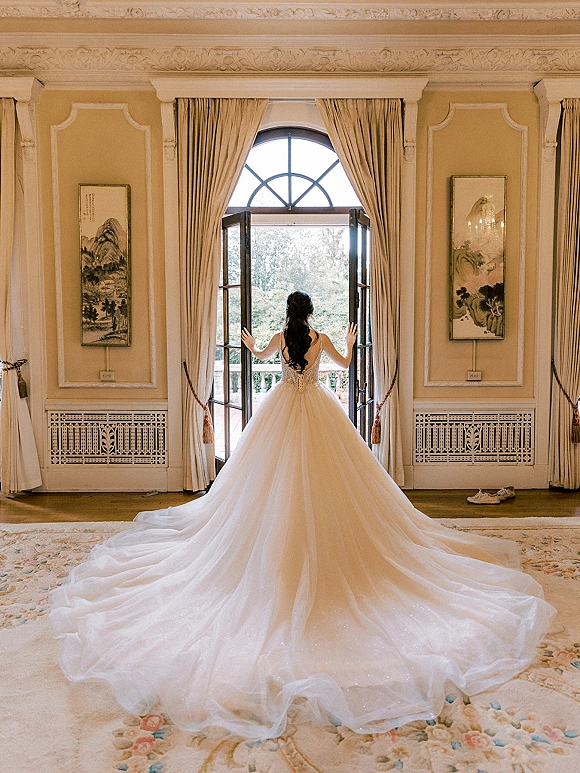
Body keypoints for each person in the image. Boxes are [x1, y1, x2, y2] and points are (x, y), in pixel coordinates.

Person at [50, 290, 554, 741]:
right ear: (309, 314)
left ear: (287, 315)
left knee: (266, 490)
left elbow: (261, 356)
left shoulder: (280, 337)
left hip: (281, 416)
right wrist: (352, 340)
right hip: (318, 416)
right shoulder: (320, 337)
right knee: (336, 488)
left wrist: (249, 344)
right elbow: (344, 363)